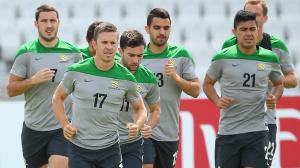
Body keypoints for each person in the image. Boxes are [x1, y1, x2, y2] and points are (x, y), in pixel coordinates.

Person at [52, 22, 147, 168]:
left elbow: (140, 108)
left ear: (117, 47)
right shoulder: (76, 71)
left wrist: (137, 125)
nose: (109, 47)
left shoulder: (126, 77)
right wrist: (65, 125)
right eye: (104, 42)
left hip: (110, 150)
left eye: (112, 43)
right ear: (94, 44)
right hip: (79, 148)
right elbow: (57, 98)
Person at [204, 10, 284, 168]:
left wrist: (274, 97)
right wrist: (217, 100)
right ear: (234, 32)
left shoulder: (270, 58)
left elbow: (279, 83)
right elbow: (207, 84)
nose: (249, 33)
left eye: (252, 29)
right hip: (228, 132)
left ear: (258, 30)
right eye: (243, 29)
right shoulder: (222, 57)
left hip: (258, 131)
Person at [222, 0, 298, 166]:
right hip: (234, 122)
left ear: (265, 18)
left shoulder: (276, 46)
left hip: (264, 122)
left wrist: (271, 77)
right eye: (248, 14)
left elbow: (292, 79)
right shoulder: (229, 44)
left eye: (256, 15)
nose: (251, 19)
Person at [6, 4, 82, 168]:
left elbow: (84, 88)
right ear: (36, 24)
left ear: (58, 23)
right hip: (34, 128)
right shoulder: (26, 53)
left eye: (52, 21)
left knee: (59, 164)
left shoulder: (73, 53)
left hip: (62, 125)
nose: (49, 25)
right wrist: (32, 80)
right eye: (44, 21)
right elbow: (10, 90)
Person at [142, 8, 200, 168]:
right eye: (157, 27)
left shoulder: (180, 55)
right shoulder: (138, 57)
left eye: (166, 28)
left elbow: (196, 91)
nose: (162, 32)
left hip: (169, 134)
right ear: (147, 29)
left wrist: (176, 77)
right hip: (144, 131)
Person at [118, 29, 161, 168]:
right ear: (120, 51)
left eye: (140, 55)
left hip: (133, 142)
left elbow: (155, 109)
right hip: (106, 141)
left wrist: (148, 126)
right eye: (131, 55)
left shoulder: (149, 78)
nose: (136, 60)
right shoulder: (107, 72)